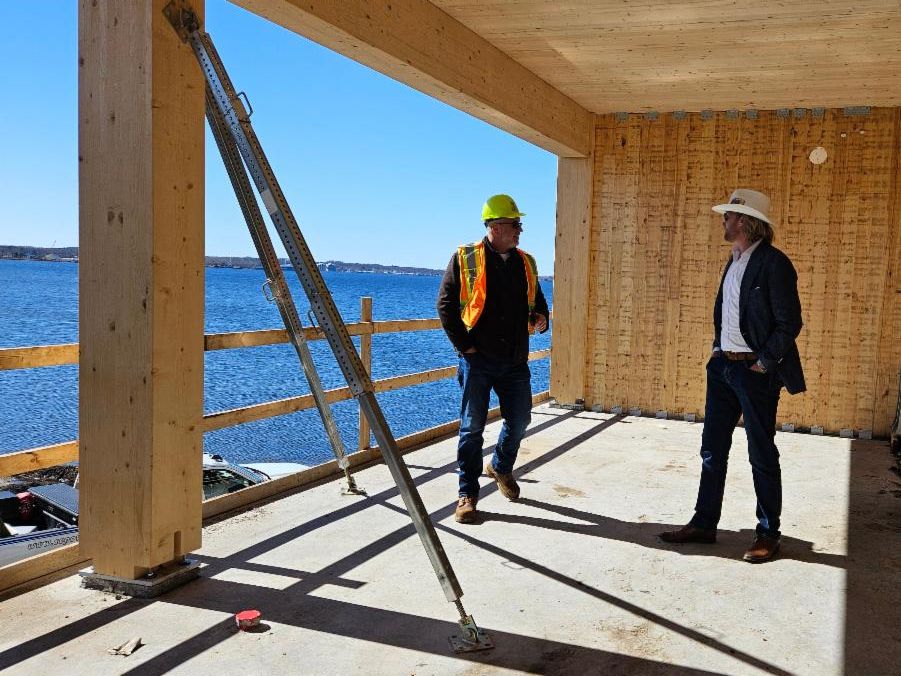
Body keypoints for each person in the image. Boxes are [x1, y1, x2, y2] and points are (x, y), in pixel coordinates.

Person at [659, 189, 805, 563]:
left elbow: (790, 323)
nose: (723, 221)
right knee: (712, 449)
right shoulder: (734, 260)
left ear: (744, 221)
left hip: (755, 371)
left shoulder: (774, 263)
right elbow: (727, 313)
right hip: (723, 367)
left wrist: (763, 362)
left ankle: (768, 534)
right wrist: (716, 349)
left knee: (761, 452)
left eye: (728, 216)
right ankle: (705, 523)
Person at [437, 194, 549, 524]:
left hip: (514, 362)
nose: (520, 231)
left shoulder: (526, 263)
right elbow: (445, 307)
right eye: (516, 225)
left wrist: (541, 319)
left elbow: (538, 303)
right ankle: (467, 495)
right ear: (496, 227)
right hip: (478, 362)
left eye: (519, 225)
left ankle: (499, 466)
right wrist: (465, 348)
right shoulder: (465, 258)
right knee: (471, 430)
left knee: (520, 421)